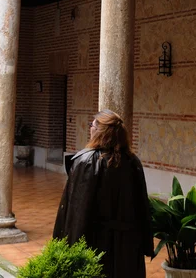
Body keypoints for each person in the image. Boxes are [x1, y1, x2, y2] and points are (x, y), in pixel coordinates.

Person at [53, 109, 154, 278]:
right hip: (128, 246)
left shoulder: (87, 161)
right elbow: (143, 207)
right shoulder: (133, 161)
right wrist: (145, 244)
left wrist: (69, 251)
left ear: (99, 131)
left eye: (92, 125)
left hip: (98, 245)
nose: (90, 128)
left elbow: (77, 214)